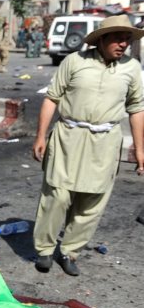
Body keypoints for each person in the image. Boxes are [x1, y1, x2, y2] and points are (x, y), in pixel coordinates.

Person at [31, 15, 144, 276]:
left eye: (126, 39)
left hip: (105, 142)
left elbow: (136, 109)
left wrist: (140, 151)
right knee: (57, 195)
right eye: (117, 38)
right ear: (101, 39)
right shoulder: (75, 61)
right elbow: (52, 98)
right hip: (68, 135)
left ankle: (70, 251)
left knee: (92, 200)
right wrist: (40, 136)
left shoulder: (132, 68)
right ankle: (45, 250)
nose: (122, 44)